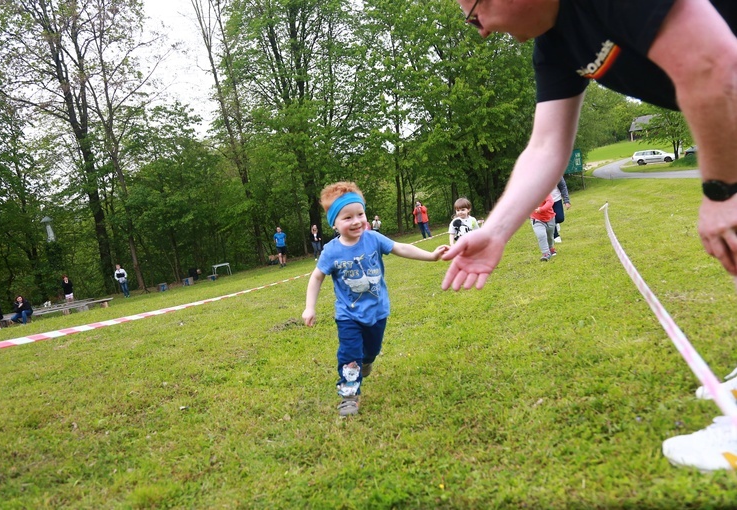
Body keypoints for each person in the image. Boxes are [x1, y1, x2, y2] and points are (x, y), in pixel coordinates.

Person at [446, 0, 737, 471]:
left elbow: (713, 61)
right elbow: (545, 146)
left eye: (474, 15)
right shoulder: (554, 44)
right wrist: (496, 231)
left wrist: (723, 190)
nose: (479, 32)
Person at [302, 182, 449, 417]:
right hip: (348, 315)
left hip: (377, 311)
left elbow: (401, 247)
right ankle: (349, 396)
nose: (357, 221)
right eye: (347, 217)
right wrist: (310, 307)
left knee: (370, 351)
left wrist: (431, 256)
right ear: (334, 224)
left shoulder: (373, 239)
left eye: (360, 214)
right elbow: (316, 277)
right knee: (350, 356)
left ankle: (366, 361)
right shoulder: (331, 251)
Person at [530, 194, 557, 262]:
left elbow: (550, 202)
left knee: (550, 236)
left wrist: (541, 209)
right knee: (541, 235)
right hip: (536, 219)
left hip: (550, 218)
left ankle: (550, 248)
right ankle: (546, 253)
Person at [552, 177, 571, 243]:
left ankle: (555, 223)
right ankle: (556, 236)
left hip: (556, 199)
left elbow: (563, 187)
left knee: (560, 218)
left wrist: (566, 201)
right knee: (551, 219)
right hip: (545, 201)